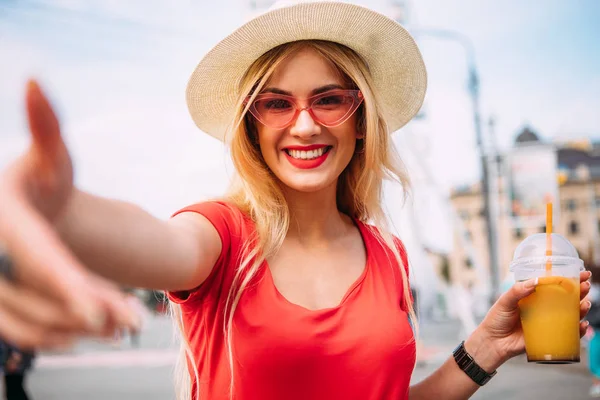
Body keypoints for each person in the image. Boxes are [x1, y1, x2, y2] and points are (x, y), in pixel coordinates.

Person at [0, 1, 592, 399]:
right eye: (276, 103)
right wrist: (55, 207)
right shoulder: (221, 237)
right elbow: (149, 240)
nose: (304, 124)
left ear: (361, 119)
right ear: (252, 125)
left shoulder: (388, 253)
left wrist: (484, 347)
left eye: (328, 99)